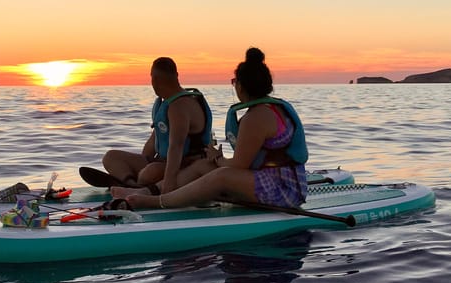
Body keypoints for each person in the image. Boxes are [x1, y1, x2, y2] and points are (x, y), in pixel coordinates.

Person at [120, 47, 309, 209]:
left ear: (242, 86)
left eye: (234, 82)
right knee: (203, 165)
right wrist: (214, 160)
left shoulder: (257, 117)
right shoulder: (269, 109)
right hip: (271, 179)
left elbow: (238, 166)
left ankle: (157, 202)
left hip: (284, 189)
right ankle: (149, 191)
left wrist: (217, 158)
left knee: (222, 175)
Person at [100, 57, 213, 193]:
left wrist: (169, 181)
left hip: (186, 165)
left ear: (154, 80)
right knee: (110, 157)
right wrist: (142, 162)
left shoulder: (179, 106)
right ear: (176, 76)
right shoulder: (166, 103)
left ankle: (137, 183)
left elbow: (176, 146)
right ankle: (132, 183)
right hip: (162, 161)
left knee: (148, 173)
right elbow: (154, 140)